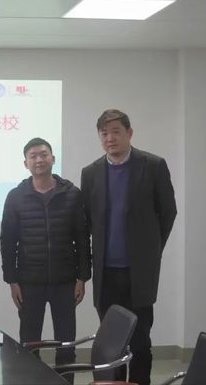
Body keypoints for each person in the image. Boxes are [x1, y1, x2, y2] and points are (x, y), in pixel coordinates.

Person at [81, 109, 177, 385]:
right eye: (104, 134)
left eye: (116, 132)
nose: (110, 138)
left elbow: (168, 213)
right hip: (106, 274)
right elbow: (87, 221)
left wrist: (151, 251)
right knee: (111, 342)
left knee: (140, 341)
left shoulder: (153, 165)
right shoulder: (91, 172)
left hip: (139, 273)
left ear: (129, 133)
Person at [0, 138, 91, 376]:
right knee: (30, 345)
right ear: (25, 163)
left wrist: (82, 278)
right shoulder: (15, 196)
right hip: (29, 283)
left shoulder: (72, 194)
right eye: (33, 156)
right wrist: (12, 281)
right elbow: (8, 242)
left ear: (53, 158)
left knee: (66, 345)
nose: (39, 160)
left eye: (43, 154)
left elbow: (82, 238)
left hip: (65, 281)